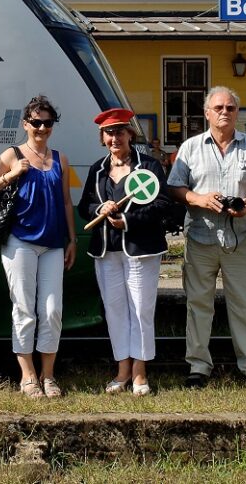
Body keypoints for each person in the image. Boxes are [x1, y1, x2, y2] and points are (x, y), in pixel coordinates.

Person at [167, 85, 246, 391]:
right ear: (207, 113)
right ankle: (198, 367)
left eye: (230, 108)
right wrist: (197, 198)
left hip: (240, 239)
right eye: (219, 108)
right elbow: (174, 187)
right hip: (201, 239)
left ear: (237, 113)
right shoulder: (190, 148)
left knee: (245, 303)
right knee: (198, 304)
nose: (224, 112)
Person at [0, 95, 77, 398]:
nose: (42, 127)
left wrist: (71, 239)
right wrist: (12, 173)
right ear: (25, 124)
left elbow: (65, 201)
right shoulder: (12, 154)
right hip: (19, 241)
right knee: (24, 309)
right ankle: (28, 376)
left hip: (53, 244)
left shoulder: (60, 159)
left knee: (51, 311)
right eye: (36, 122)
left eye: (47, 122)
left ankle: (49, 376)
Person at [79, 108, 172, 397]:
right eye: (109, 132)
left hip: (141, 250)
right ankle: (122, 370)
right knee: (115, 310)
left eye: (120, 131)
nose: (114, 137)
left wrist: (128, 221)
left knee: (141, 309)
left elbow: (162, 206)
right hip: (107, 251)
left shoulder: (150, 167)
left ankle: (140, 372)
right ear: (102, 138)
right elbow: (84, 206)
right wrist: (100, 209)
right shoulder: (97, 169)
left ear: (130, 134)